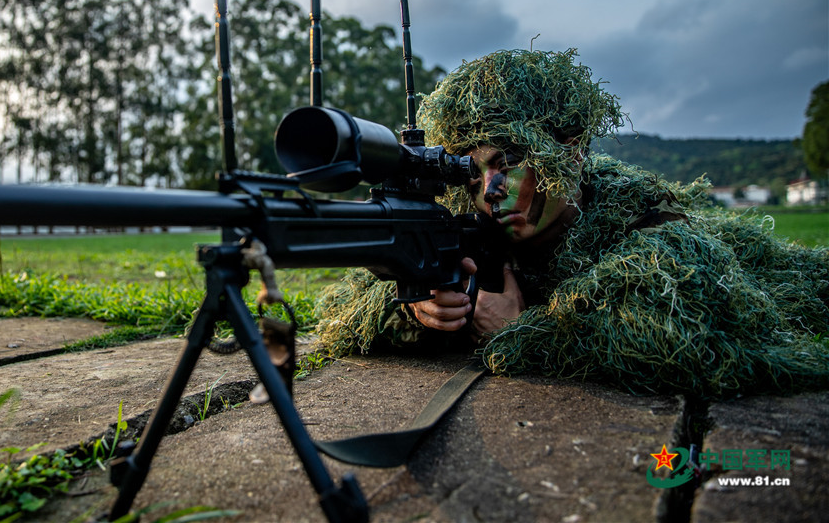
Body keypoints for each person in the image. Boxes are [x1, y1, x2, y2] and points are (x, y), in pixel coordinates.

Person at [316, 49, 829, 399]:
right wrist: (420, 305)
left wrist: (521, 333)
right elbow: (351, 304)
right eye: (473, 169)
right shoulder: (465, 225)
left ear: (572, 152)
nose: (490, 190)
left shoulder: (643, 220)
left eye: (509, 160)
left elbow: (690, 341)